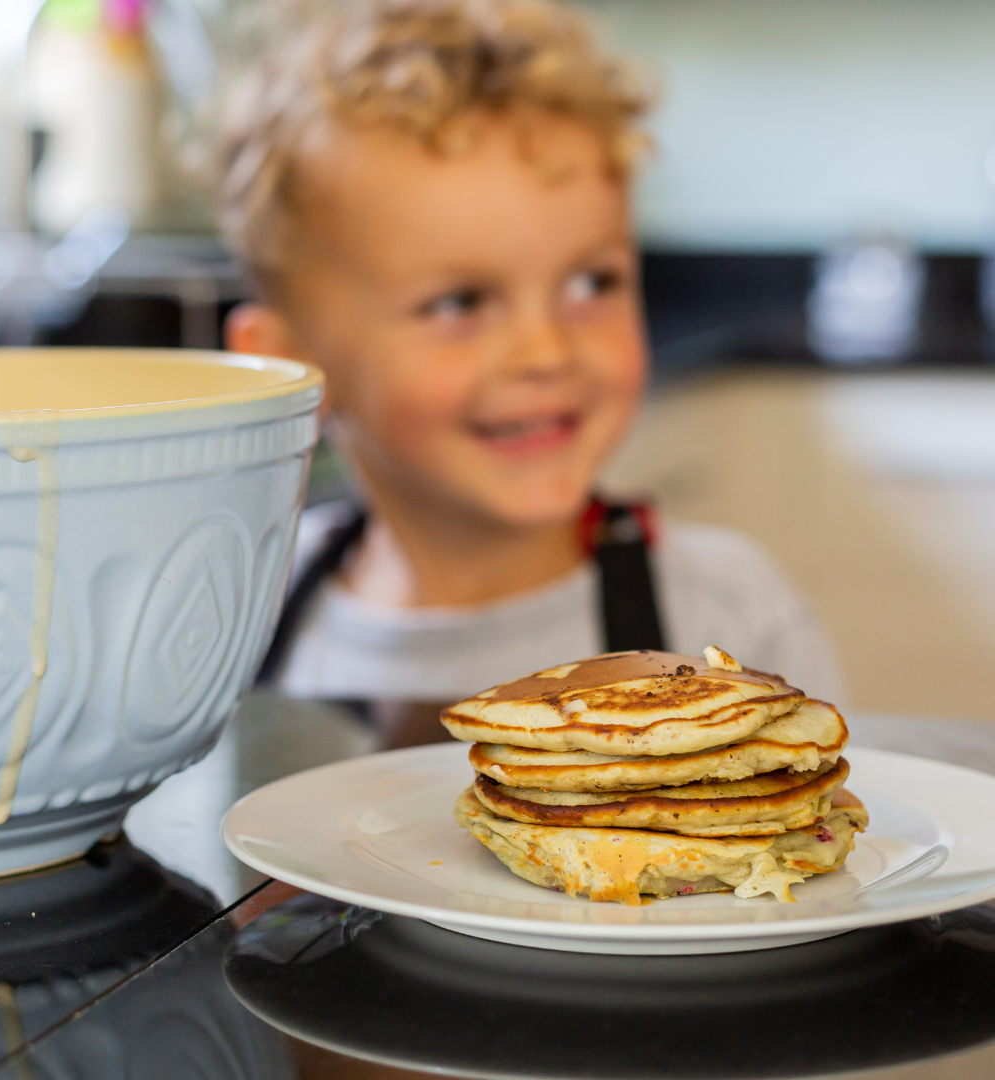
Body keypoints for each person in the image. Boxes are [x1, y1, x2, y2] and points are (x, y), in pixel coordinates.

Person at [217, 0, 844, 740]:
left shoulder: (734, 618)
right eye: (460, 302)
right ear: (293, 366)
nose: (546, 352)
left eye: (592, 284)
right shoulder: (238, 620)